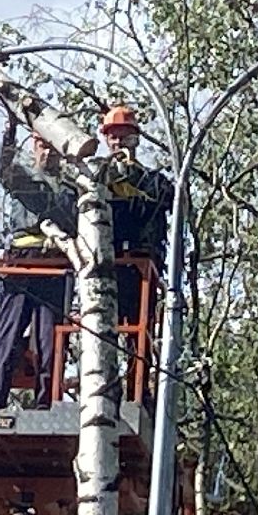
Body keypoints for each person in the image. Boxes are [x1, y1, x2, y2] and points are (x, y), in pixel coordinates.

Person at [0, 114, 76, 409]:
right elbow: (4, 168)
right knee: (7, 337)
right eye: (42, 145)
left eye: (52, 146)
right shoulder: (23, 180)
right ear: (34, 147)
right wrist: (10, 131)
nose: (47, 152)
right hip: (22, 265)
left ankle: (45, 404)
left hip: (55, 267)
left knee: (50, 341)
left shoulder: (72, 189)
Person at [98, 105, 173, 344]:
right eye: (113, 137)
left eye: (124, 136)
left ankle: (139, 369)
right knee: (102, 329)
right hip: (109, 264)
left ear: (136, 139)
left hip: (141, 267)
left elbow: (163, 201)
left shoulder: (154, 181)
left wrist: (130, 174)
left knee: (141, 336)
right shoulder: (96, 181)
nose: (118, 142)